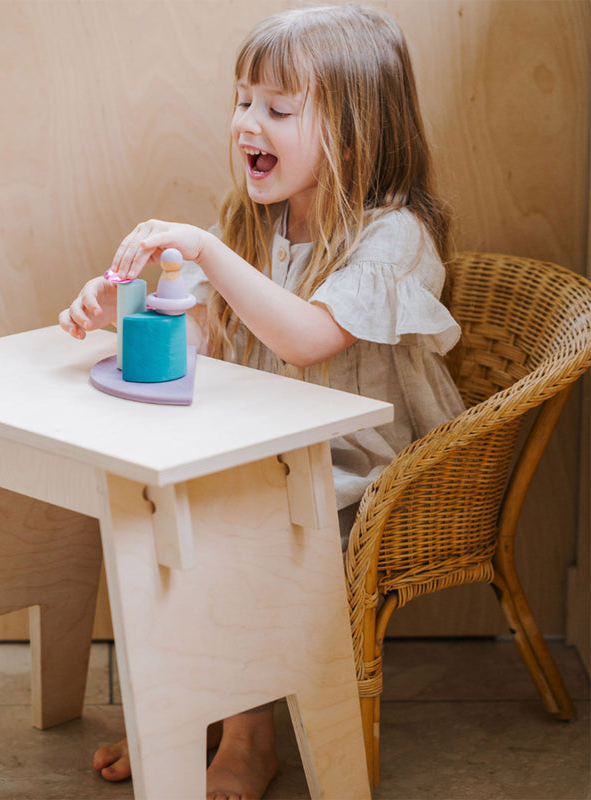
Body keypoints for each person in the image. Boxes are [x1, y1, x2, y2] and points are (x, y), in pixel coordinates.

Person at [59, 4, 465, 798]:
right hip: (264, 447)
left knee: (228, 520)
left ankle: (247, 736)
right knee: (150, 504)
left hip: (362, 469)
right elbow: (206, 323)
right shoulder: (256, 221)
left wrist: (206, 249)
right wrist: (126, 305)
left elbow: (304, 339)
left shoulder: (394, 237)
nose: (248, 121)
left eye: (278, 109)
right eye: (243, 100)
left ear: (354, 136)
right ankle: (177, 713)